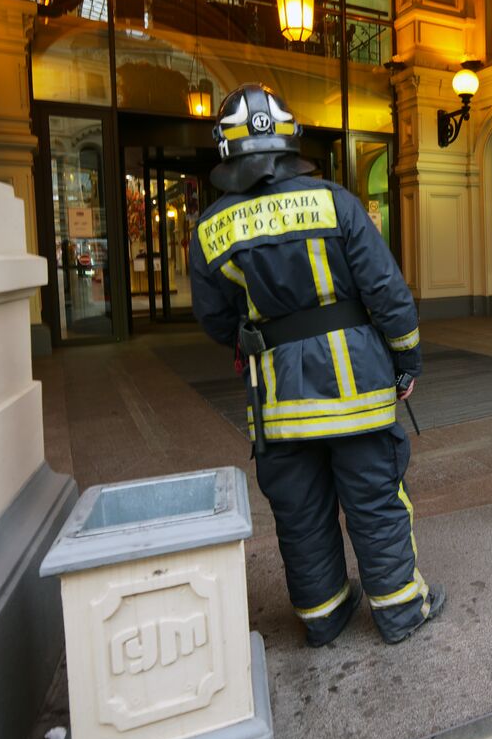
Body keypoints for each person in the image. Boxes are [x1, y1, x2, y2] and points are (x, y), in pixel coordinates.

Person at [189, 83, 445, 647]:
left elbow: (213, 320)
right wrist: (406, 361)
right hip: (357, 391)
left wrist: (262, 341)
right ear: (289, 140)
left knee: (301, 514)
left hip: (278, 403)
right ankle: (401, 611)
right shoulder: (335, 202)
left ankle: (323, 618)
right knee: (376, 501)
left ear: (226, 149)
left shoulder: (210, 229)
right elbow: (388, 293)